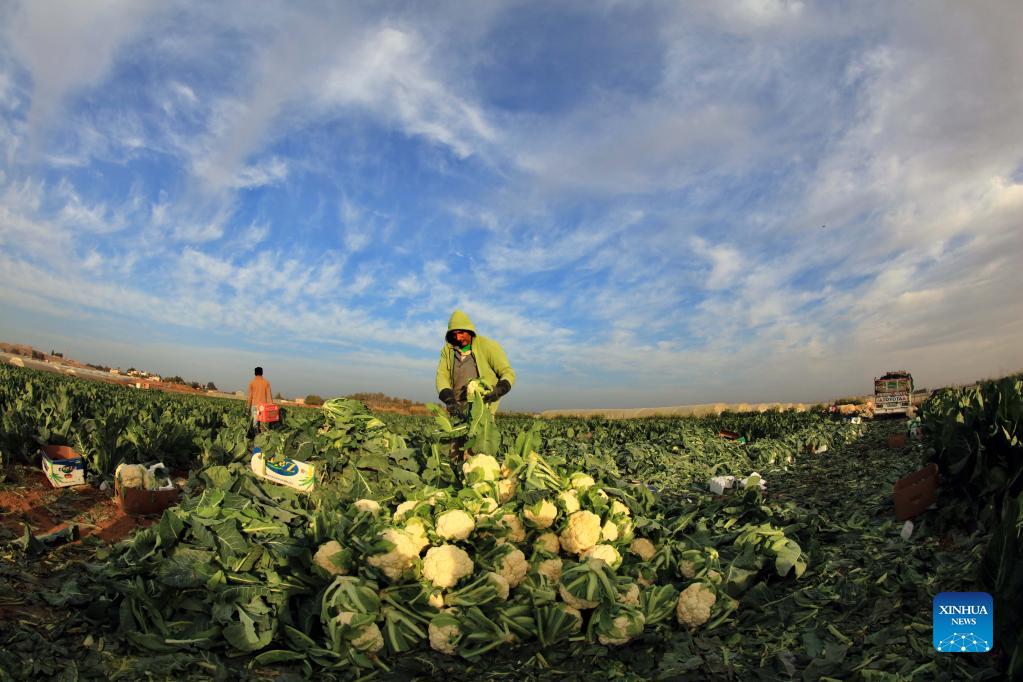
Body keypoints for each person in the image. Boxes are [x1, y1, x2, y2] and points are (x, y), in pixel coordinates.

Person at [436, 310, 515, 417]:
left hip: (483, 409)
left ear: (469, 330)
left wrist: (499, 390)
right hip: (457, 408)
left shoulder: (488, 346)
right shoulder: (448, 350)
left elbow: (507, 372)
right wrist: (449, 399)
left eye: (461, 333)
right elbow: (442, 375)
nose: (458, 338)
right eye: (454, 334)